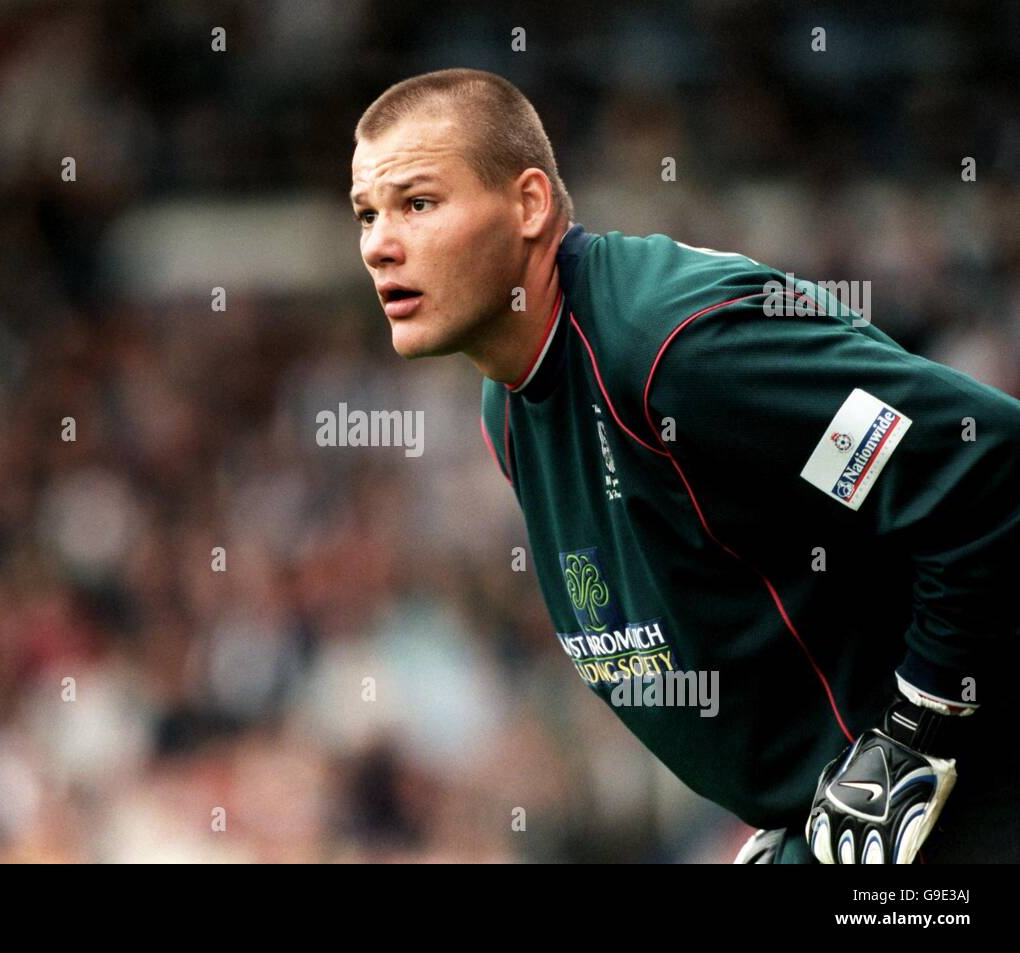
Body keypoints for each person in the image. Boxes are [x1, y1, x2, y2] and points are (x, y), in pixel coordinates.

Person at [349, 67, 1020, 863]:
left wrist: (916, 732)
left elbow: (984, 459)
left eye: (418, 203)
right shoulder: (511, 405)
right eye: (365, 214)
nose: (379, 245)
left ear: (529, 204)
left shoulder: (675, 350)